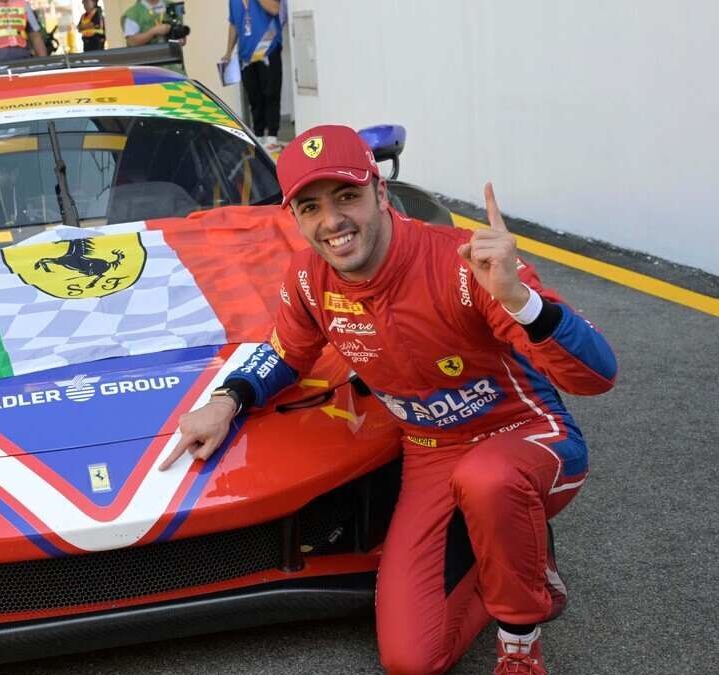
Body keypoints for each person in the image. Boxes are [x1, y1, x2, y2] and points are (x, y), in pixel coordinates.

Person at [159, 126, 617, 675]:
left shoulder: (466, 262)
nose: (332, 221)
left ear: (380, 191)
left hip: (526, 435)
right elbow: (286, 353)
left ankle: (520, 645)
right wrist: (227, 400)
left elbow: (597, 376)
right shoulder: (308, 279)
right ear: (295, 217)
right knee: (411, 660)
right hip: (430, 455)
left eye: (346, 196)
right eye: (310, 207)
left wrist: (519, 299)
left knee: (489, 481)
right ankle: (517, 554)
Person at [223, 0, 285, 153]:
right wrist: (228, 52)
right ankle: (258, 136)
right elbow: (233, 24)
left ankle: (272, 137)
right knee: (254, 97)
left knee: (271, 94)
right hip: (246, 56)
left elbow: (275, 9)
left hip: (268, 49)